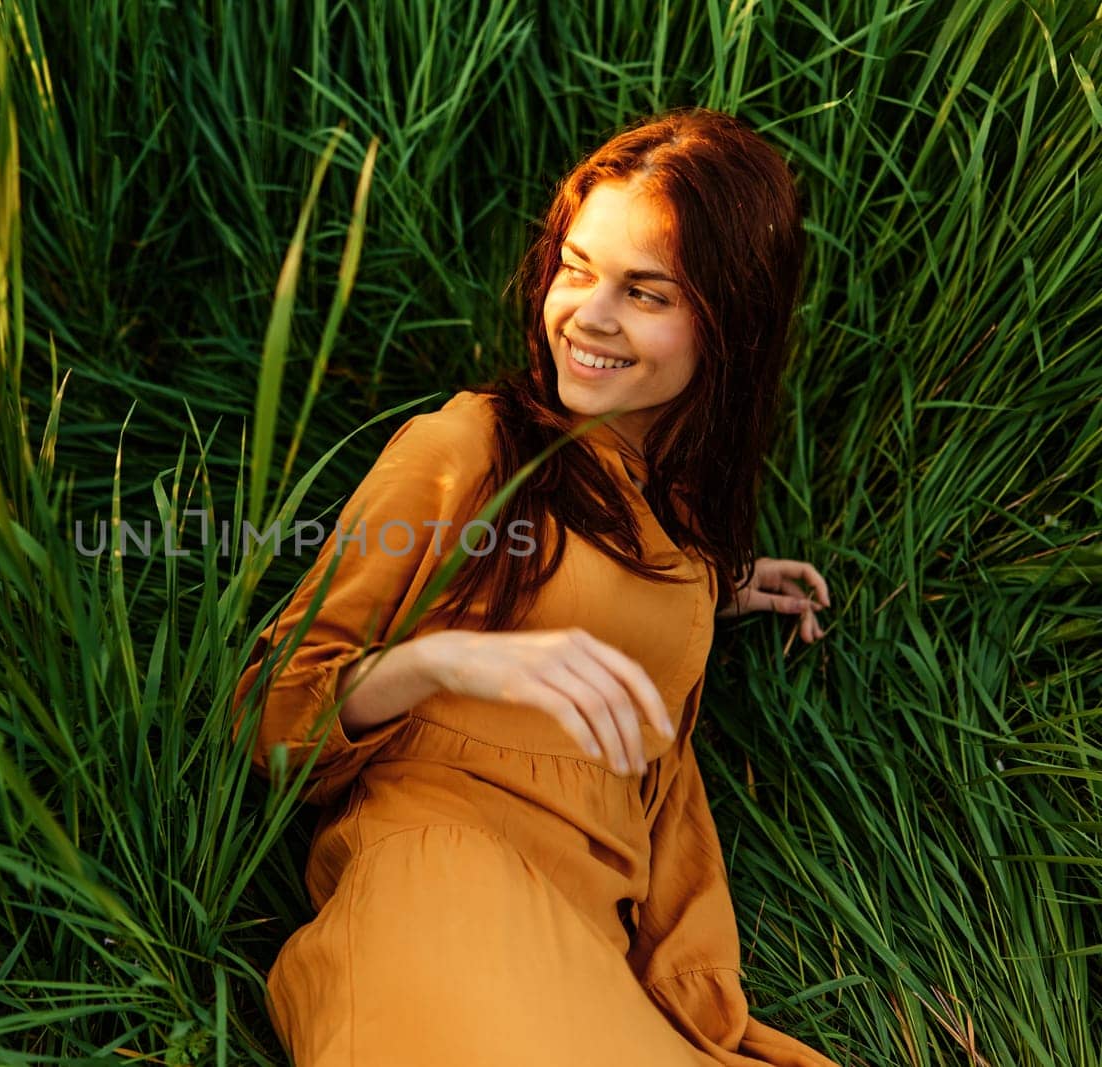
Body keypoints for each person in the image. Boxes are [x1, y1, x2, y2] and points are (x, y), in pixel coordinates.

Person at [231, 107, 843, 1065]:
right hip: (440, 883)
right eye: (576, 268)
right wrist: (444, 659)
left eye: (646, 292)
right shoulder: (469, 446)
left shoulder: (675, 529)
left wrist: (702, 593)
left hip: (589, 938)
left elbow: (600, 624)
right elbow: (266, 715)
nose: (588, 318)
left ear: (731, 321)